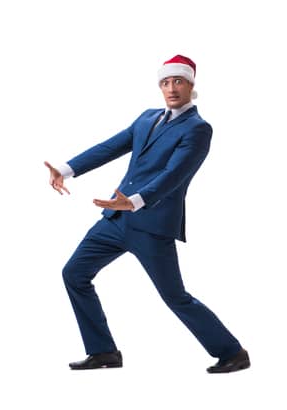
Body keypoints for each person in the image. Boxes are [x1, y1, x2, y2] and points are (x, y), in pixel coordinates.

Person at [45, 55, 249, 374]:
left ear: (191, 85)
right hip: (115, 220)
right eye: (166, 82)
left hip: (152, 225)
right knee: (74, 273)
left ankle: (232, 352)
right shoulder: (147, 118)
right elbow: (110, 146)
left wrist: (137, 200)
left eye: (178, 81)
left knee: (174, 296)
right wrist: (65, 169)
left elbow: (174, 174)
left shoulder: (198, 129)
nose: (171, 88)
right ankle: (103, 351)